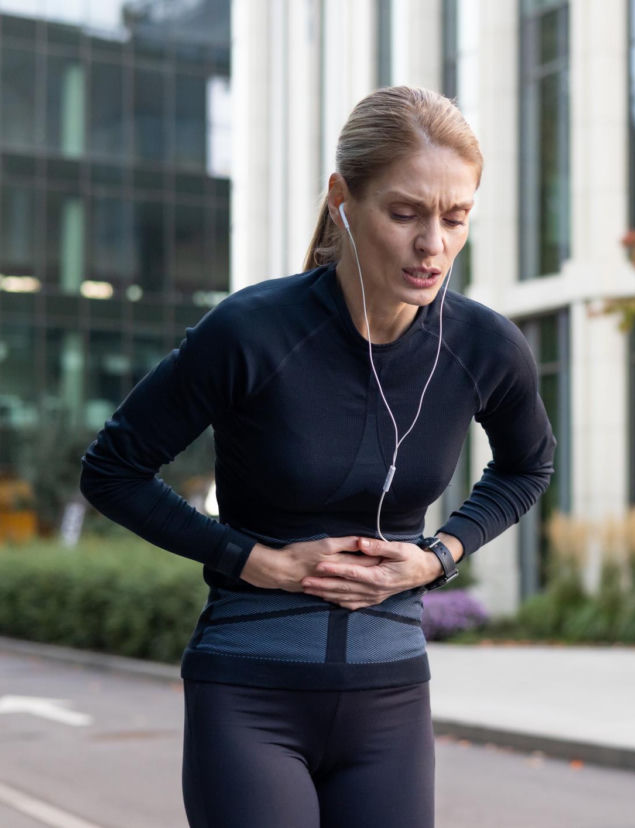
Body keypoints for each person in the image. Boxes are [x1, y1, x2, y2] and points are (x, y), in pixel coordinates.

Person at [80, 85, 555, 828]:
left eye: (455, 217)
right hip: (249, 697)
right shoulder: (252, 332)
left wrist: (438, 556)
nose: (433, 244)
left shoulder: (484, 346)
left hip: (392, 701)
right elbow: (112, 468)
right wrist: (248, 558)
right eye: (405, 214)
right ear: (343, 199)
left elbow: (529, 465)